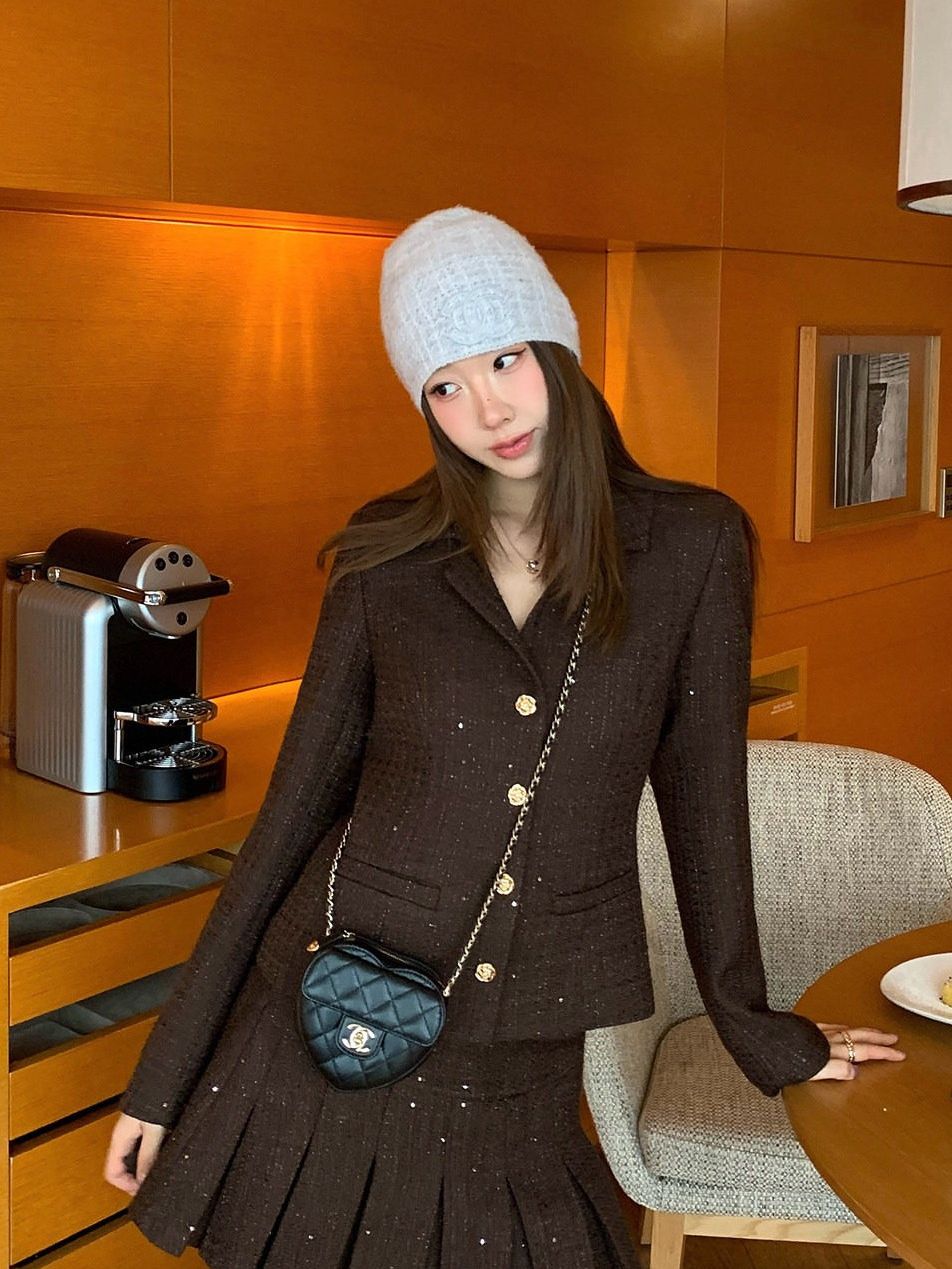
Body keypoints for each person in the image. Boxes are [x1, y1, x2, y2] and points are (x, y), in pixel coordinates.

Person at [104, 206, 904, 1268]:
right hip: (331, 990)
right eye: (444, 385)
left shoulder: (693, 543)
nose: (485, 408)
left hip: (527, 1014)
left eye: (503, 359)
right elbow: (291, 817)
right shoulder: (387, 559)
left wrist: (754, 1025)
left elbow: (704, 803)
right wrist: (163, 1078)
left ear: (555, 348)